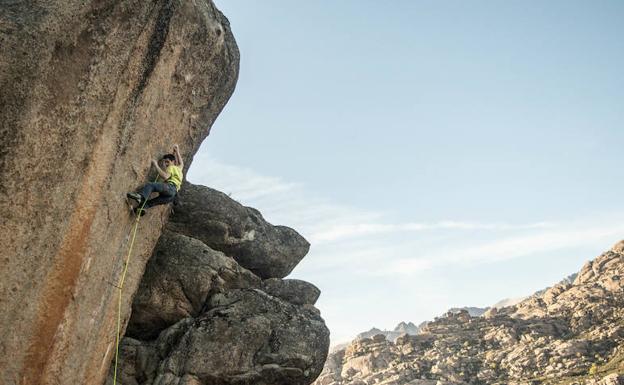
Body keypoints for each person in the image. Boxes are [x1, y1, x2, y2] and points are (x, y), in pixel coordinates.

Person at [127, 144, 183, 216]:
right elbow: (181, 163)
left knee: (150, 185)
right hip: (171, 197)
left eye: (167, 161)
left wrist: (156, 165)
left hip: (170, 188)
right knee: (150, 203)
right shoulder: (179, 169)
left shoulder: (171, 167)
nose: (166, 164)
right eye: (165, 162)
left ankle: (140, 197)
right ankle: (137, 210)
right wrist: (177, 151)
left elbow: (165, 176)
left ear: (173, 162)